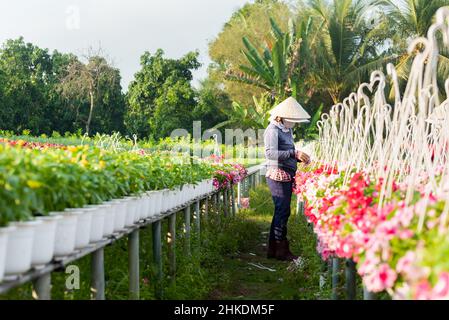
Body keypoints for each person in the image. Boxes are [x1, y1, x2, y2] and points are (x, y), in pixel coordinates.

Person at [264, 97, 311, 261]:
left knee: (281, 211)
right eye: (291, 120)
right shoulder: (272, 130)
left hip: (286, 173)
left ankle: (274, 249)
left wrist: (299, 157)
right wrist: (293, 153)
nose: (294, 124)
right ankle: (280, 248)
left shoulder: (286, 130)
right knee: (283, 211)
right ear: (281, 117)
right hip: (277, 174)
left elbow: (288, 151)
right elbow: (270, 154)